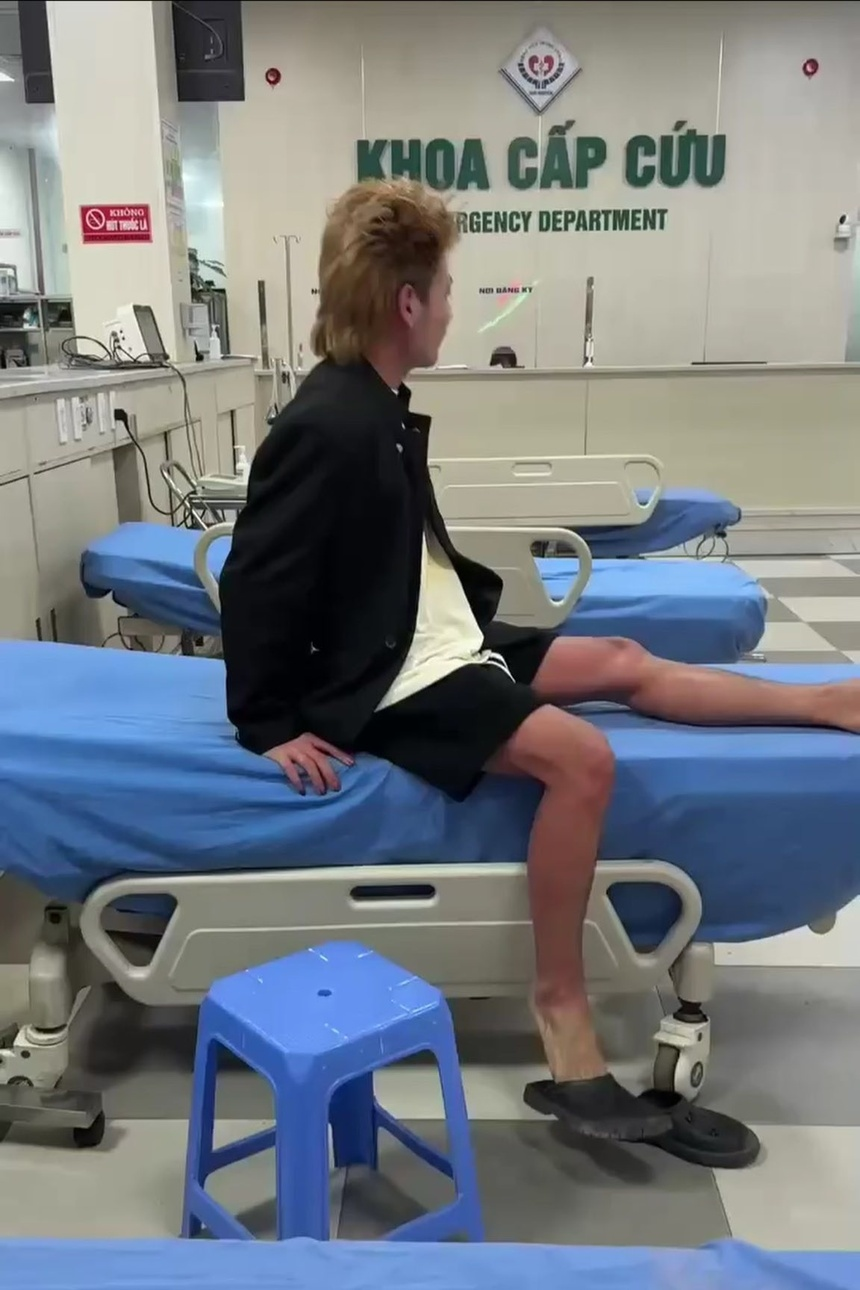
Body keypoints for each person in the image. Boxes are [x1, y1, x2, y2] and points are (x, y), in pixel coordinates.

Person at [219, 178, 860, 1143]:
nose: (450, 309)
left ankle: (827, 704)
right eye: (445, 291)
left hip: (436, 637)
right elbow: (255, 579)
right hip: (396, 678)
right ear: (407, 303)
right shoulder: (328, 422)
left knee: (623, 657)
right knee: (582, 759)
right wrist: (267, 722)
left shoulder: (375, 403)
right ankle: (563, 1017)